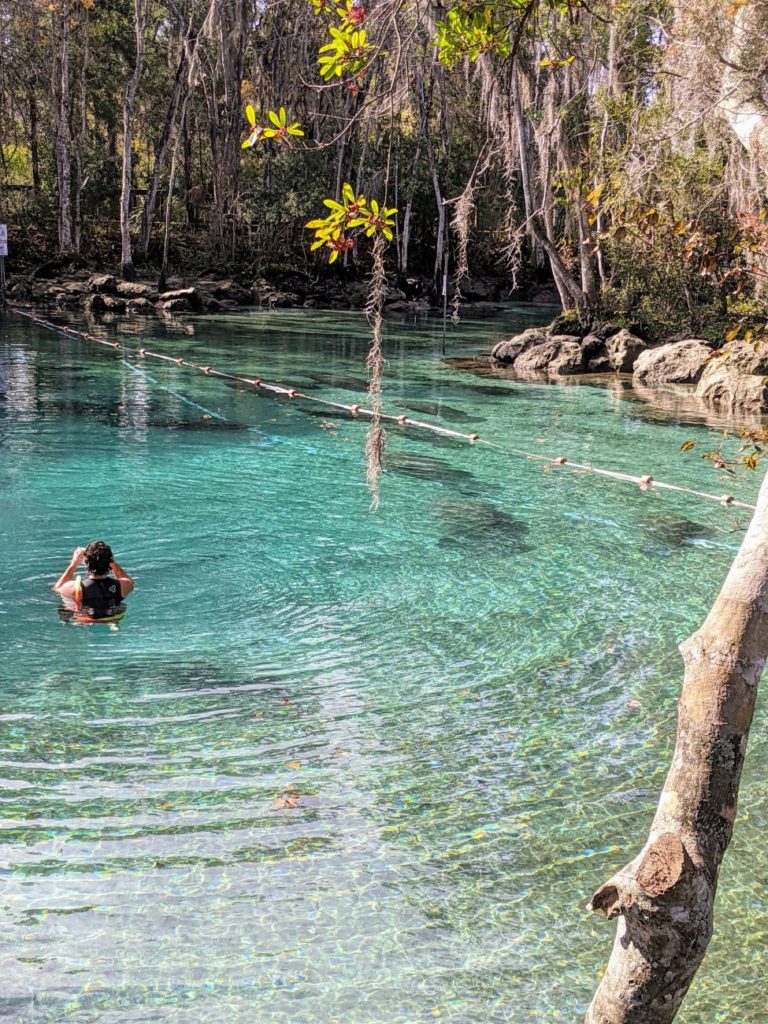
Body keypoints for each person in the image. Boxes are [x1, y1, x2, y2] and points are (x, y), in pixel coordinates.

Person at [52, 541, 134, 623]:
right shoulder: (124, 585)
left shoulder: (74, 588)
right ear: (110, 562)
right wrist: (112, 562)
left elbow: (56, 588)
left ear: (87, 563)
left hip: (84, 619)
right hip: (113, 617)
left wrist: (74, 563)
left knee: (63, 607)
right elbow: (127, 580)